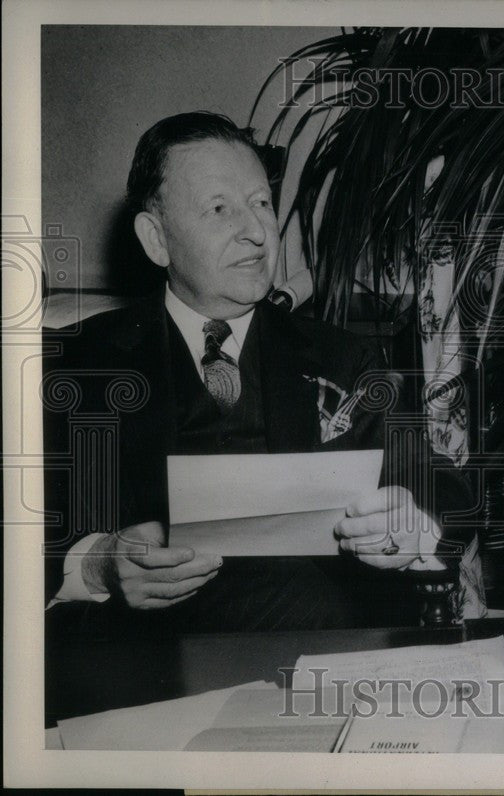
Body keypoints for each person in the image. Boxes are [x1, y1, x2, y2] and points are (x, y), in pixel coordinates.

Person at [44, 111, 471, 633]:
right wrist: (100, 564)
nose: (255, 231)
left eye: (262, 203)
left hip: (315, 652)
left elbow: (436, 483)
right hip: (144, 667)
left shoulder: (343, 358)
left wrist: (412, 526)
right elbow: (31, 528)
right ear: (156, 239)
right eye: (220, 208)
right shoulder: (81, 362)